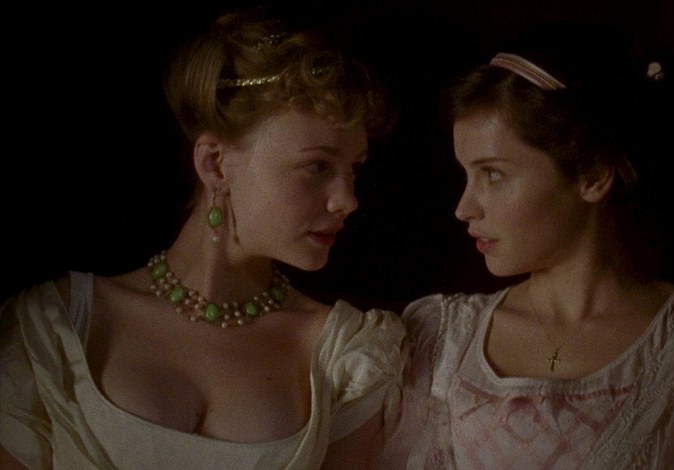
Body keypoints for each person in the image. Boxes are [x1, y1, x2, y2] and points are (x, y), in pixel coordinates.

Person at [1, 6, 405, 469]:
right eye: (317, 166)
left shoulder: (347, 353)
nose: (347, 199)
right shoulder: (56, 324)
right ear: (214, 163)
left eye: (354, 170)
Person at [382, 22, 674, 469]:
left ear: (593, 175)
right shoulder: (441, 341)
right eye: (466, 175)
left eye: (493, 174)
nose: (464, 208)